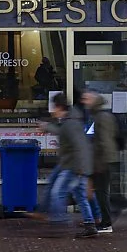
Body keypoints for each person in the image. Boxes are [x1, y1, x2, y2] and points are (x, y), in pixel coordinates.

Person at [43, 92, 99, 237]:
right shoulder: (70, 121)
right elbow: (63, 133)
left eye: (54, 108)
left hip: (74, 166)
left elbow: (79, 146)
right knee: (80, 195)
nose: (52, 111)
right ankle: (90, 225)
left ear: (59, 107)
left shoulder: (70, 123)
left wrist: (81, 169)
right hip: (77, 165)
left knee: (58, 191)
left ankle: (58, 220)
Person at [83, 90, 122, 233]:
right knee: (100, 192)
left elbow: (104, 142)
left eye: (87, 99)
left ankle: (106, 222)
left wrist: (100, 164)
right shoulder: (100, 116)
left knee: (101, 193)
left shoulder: (101, 117)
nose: (85, 102)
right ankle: (102, 220)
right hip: (104, 160)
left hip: (104, 161)